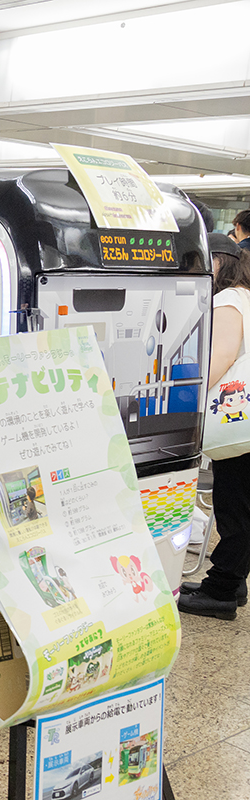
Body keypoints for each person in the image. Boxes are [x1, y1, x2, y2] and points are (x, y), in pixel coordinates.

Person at [179, 237, 250, 619]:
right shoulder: (246, 296)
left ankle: (220, 591)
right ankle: (233, 582)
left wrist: (186, 401)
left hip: (238, 421)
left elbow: (220, 358)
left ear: (218, 264)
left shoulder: (227, 301)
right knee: (241, 504)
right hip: (246, 420)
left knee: (235, 507)